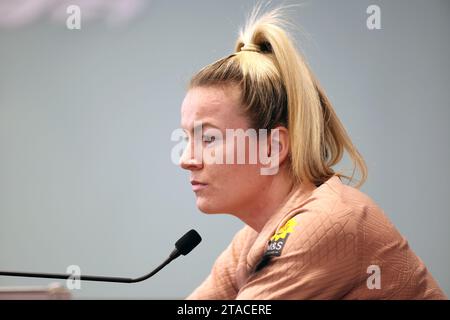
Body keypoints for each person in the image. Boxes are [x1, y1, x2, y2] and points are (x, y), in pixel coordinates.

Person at [178, 6, 447, 299]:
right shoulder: (254, 239)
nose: (185, 159)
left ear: (272, 148)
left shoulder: (324, 226)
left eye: (208, 138)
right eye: (186, 139)